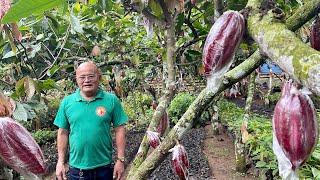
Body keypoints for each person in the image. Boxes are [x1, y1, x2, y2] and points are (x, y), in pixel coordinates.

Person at [54, 61, 128, 180]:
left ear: (98, 77)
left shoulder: (111, 100)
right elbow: (62, 132)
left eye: (91, 76)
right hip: (78, 169)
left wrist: (120, 160)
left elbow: (120, 129)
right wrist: (60, 162)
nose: (86, 80)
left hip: (104, 167)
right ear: (76, 79)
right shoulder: (67, 102)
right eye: (82, 77)